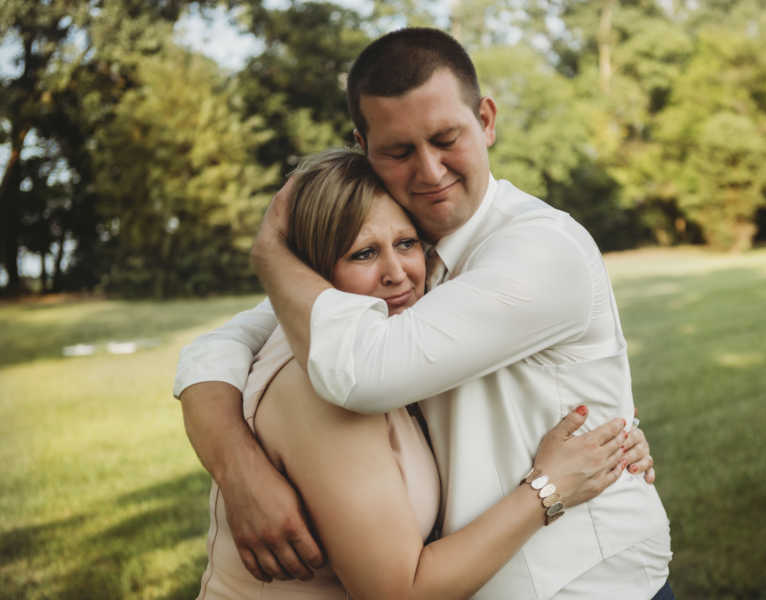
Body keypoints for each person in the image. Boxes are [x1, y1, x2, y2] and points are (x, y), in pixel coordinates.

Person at [176, 28, 672, 599]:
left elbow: (362, 372)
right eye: (400, 150)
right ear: (363, 146)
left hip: (584, 582)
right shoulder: (394, 257)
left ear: (486, 120)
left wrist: (271, 253)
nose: (430, 171)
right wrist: (239, 468)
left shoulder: (539, 250)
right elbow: (222, 349)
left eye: (445, 138)